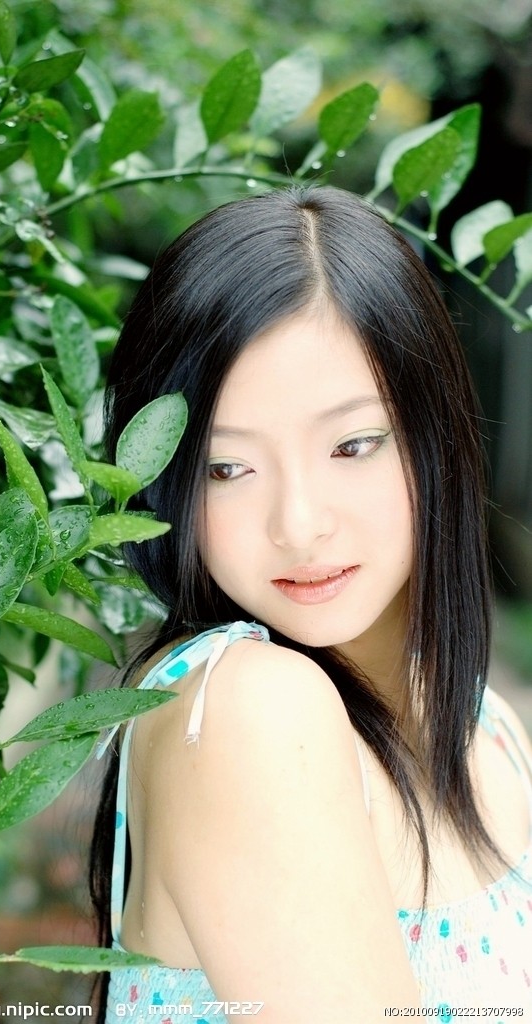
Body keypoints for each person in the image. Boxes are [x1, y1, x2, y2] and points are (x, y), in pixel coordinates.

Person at [89, 185, 532, 1024]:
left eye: (351, 445)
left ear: (435, 437)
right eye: (226, 468)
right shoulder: (244, 710)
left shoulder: (489, 728)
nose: (297, 525)